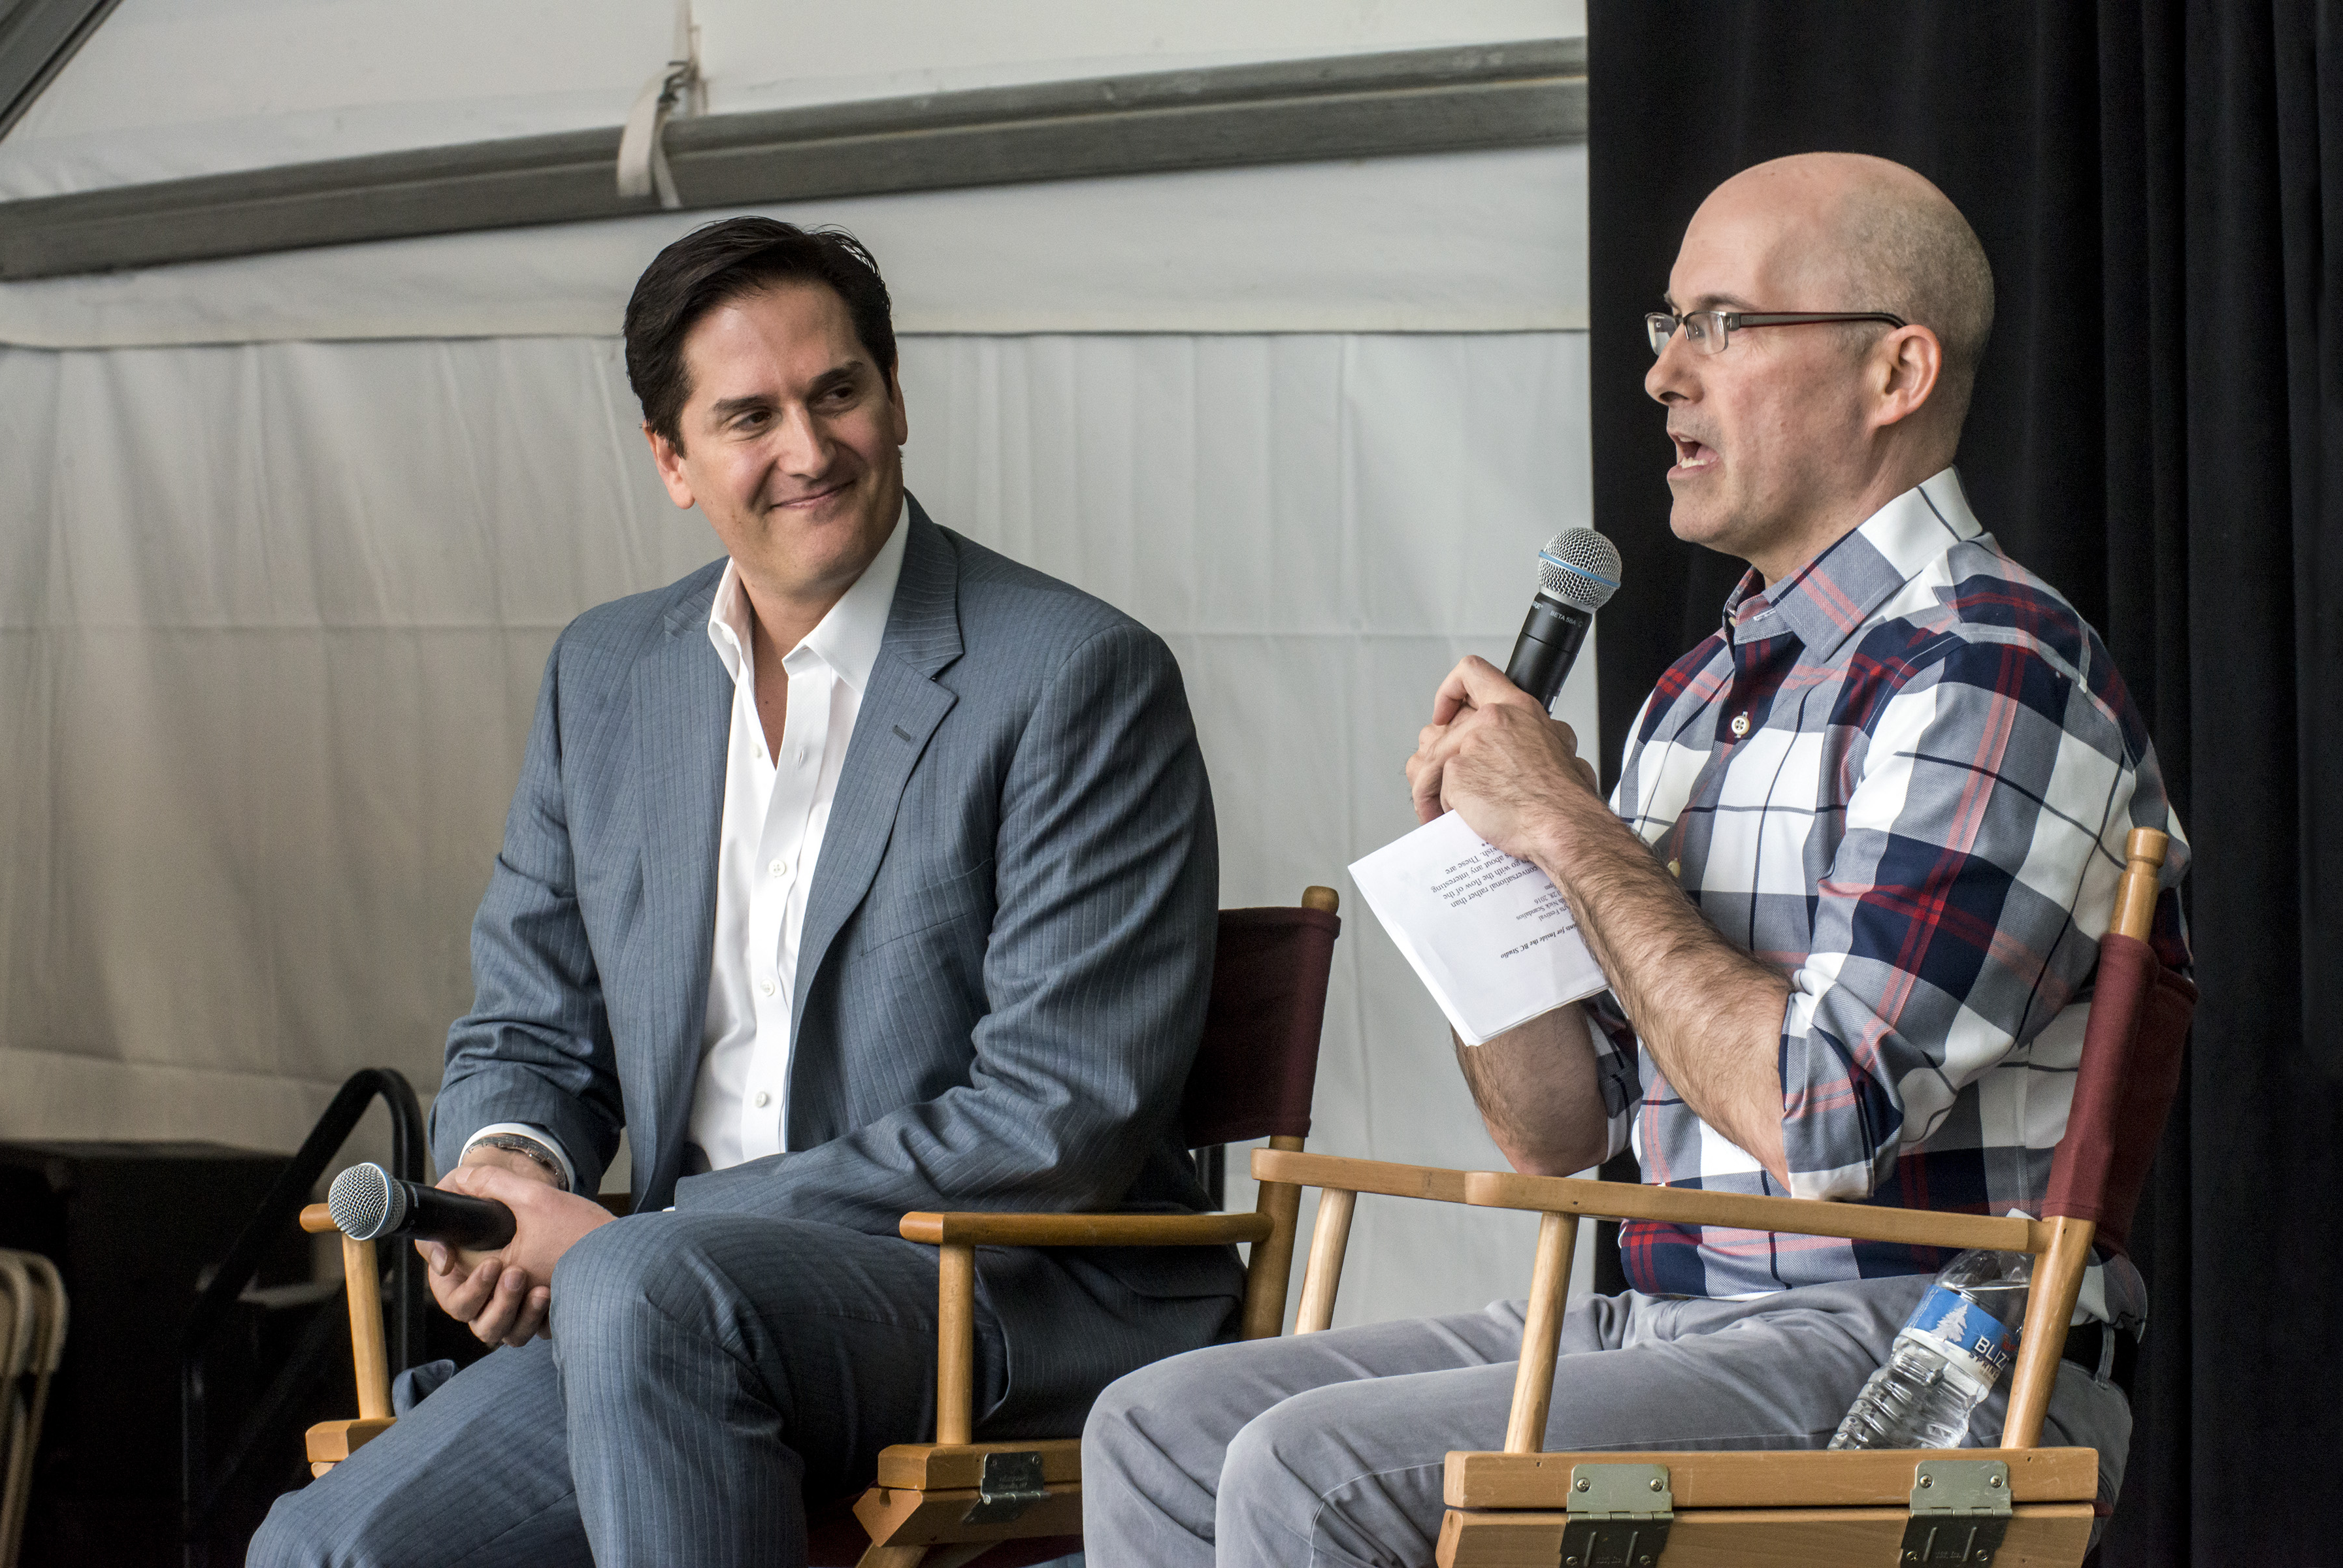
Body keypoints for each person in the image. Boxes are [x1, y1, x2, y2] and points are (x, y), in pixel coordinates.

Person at [1081, 152, 2189, 1565]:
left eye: (1720, 324)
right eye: (1665, 326)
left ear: (1894, 372)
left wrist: (1569, 828)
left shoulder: (1988, 670)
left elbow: (1822, 1114)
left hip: (1920, 1352)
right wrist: (1488, 881)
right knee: (1154, 1428)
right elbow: (1558, 1128)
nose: (1665, 374)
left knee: (1313, 1471)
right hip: (1672, 1318)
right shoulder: (1691, 694)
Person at [252, 218, 1237, 1567]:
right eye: (748, 416)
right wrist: (506, 1175)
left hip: (992, 1292)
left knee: (646, 1287)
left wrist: (622, 1236)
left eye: (837, 393)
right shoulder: (606, 677)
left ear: (895, 399)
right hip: (653, 1303)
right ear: (672, 459)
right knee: (323, 1553)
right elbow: (527, 1026)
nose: (809, 449)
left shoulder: (1074, 676)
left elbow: (1057, 1115)